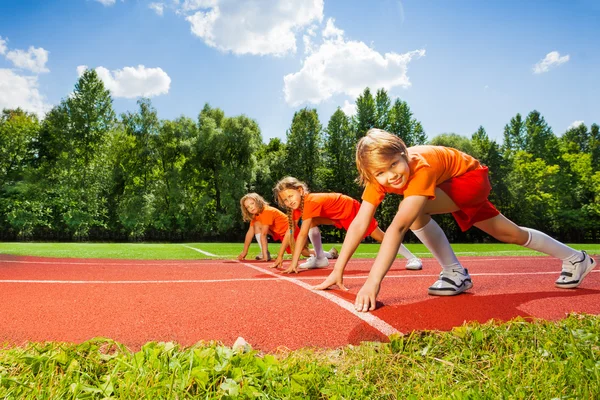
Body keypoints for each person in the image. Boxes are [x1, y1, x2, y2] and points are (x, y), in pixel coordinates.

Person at [316, 128, 597, 312]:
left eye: (394, 164)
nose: (390, 176)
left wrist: (372, 282)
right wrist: (337, 270)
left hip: (469, 180)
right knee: (509, 233)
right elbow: (359, 223)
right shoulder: (376, 178)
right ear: (369, 175)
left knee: (411, 215)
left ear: (404, 155)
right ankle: (575, 258)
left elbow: (397, 227)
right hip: (449, 185)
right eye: (380, 173)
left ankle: (455, 273)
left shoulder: (419, 167)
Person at [272, 177, 423, 273]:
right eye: (285, 200)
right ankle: (320, 258)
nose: (289, 201)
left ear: (300, 190)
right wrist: (280, 257)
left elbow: (303, 234)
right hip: (336, 215)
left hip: (349, 209)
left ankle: (412, 258)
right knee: (312, 222)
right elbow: (290, 232)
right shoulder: (296, 209)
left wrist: (294, 263)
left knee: (379, 236)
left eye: (290, 196)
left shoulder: (310, 201)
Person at [238, 193, 337, 264]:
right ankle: (265, 253)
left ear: (258, 202)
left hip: (291, 231)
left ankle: (330, 254)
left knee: (305, 252)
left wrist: (264, 256)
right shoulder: (256, 216)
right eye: (247, 207)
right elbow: (249, 234)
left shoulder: (267, 211)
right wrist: (244, 252)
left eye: (252, 203)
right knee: (256, 225)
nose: (250, 207)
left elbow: (263, 235)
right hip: (281, 234)